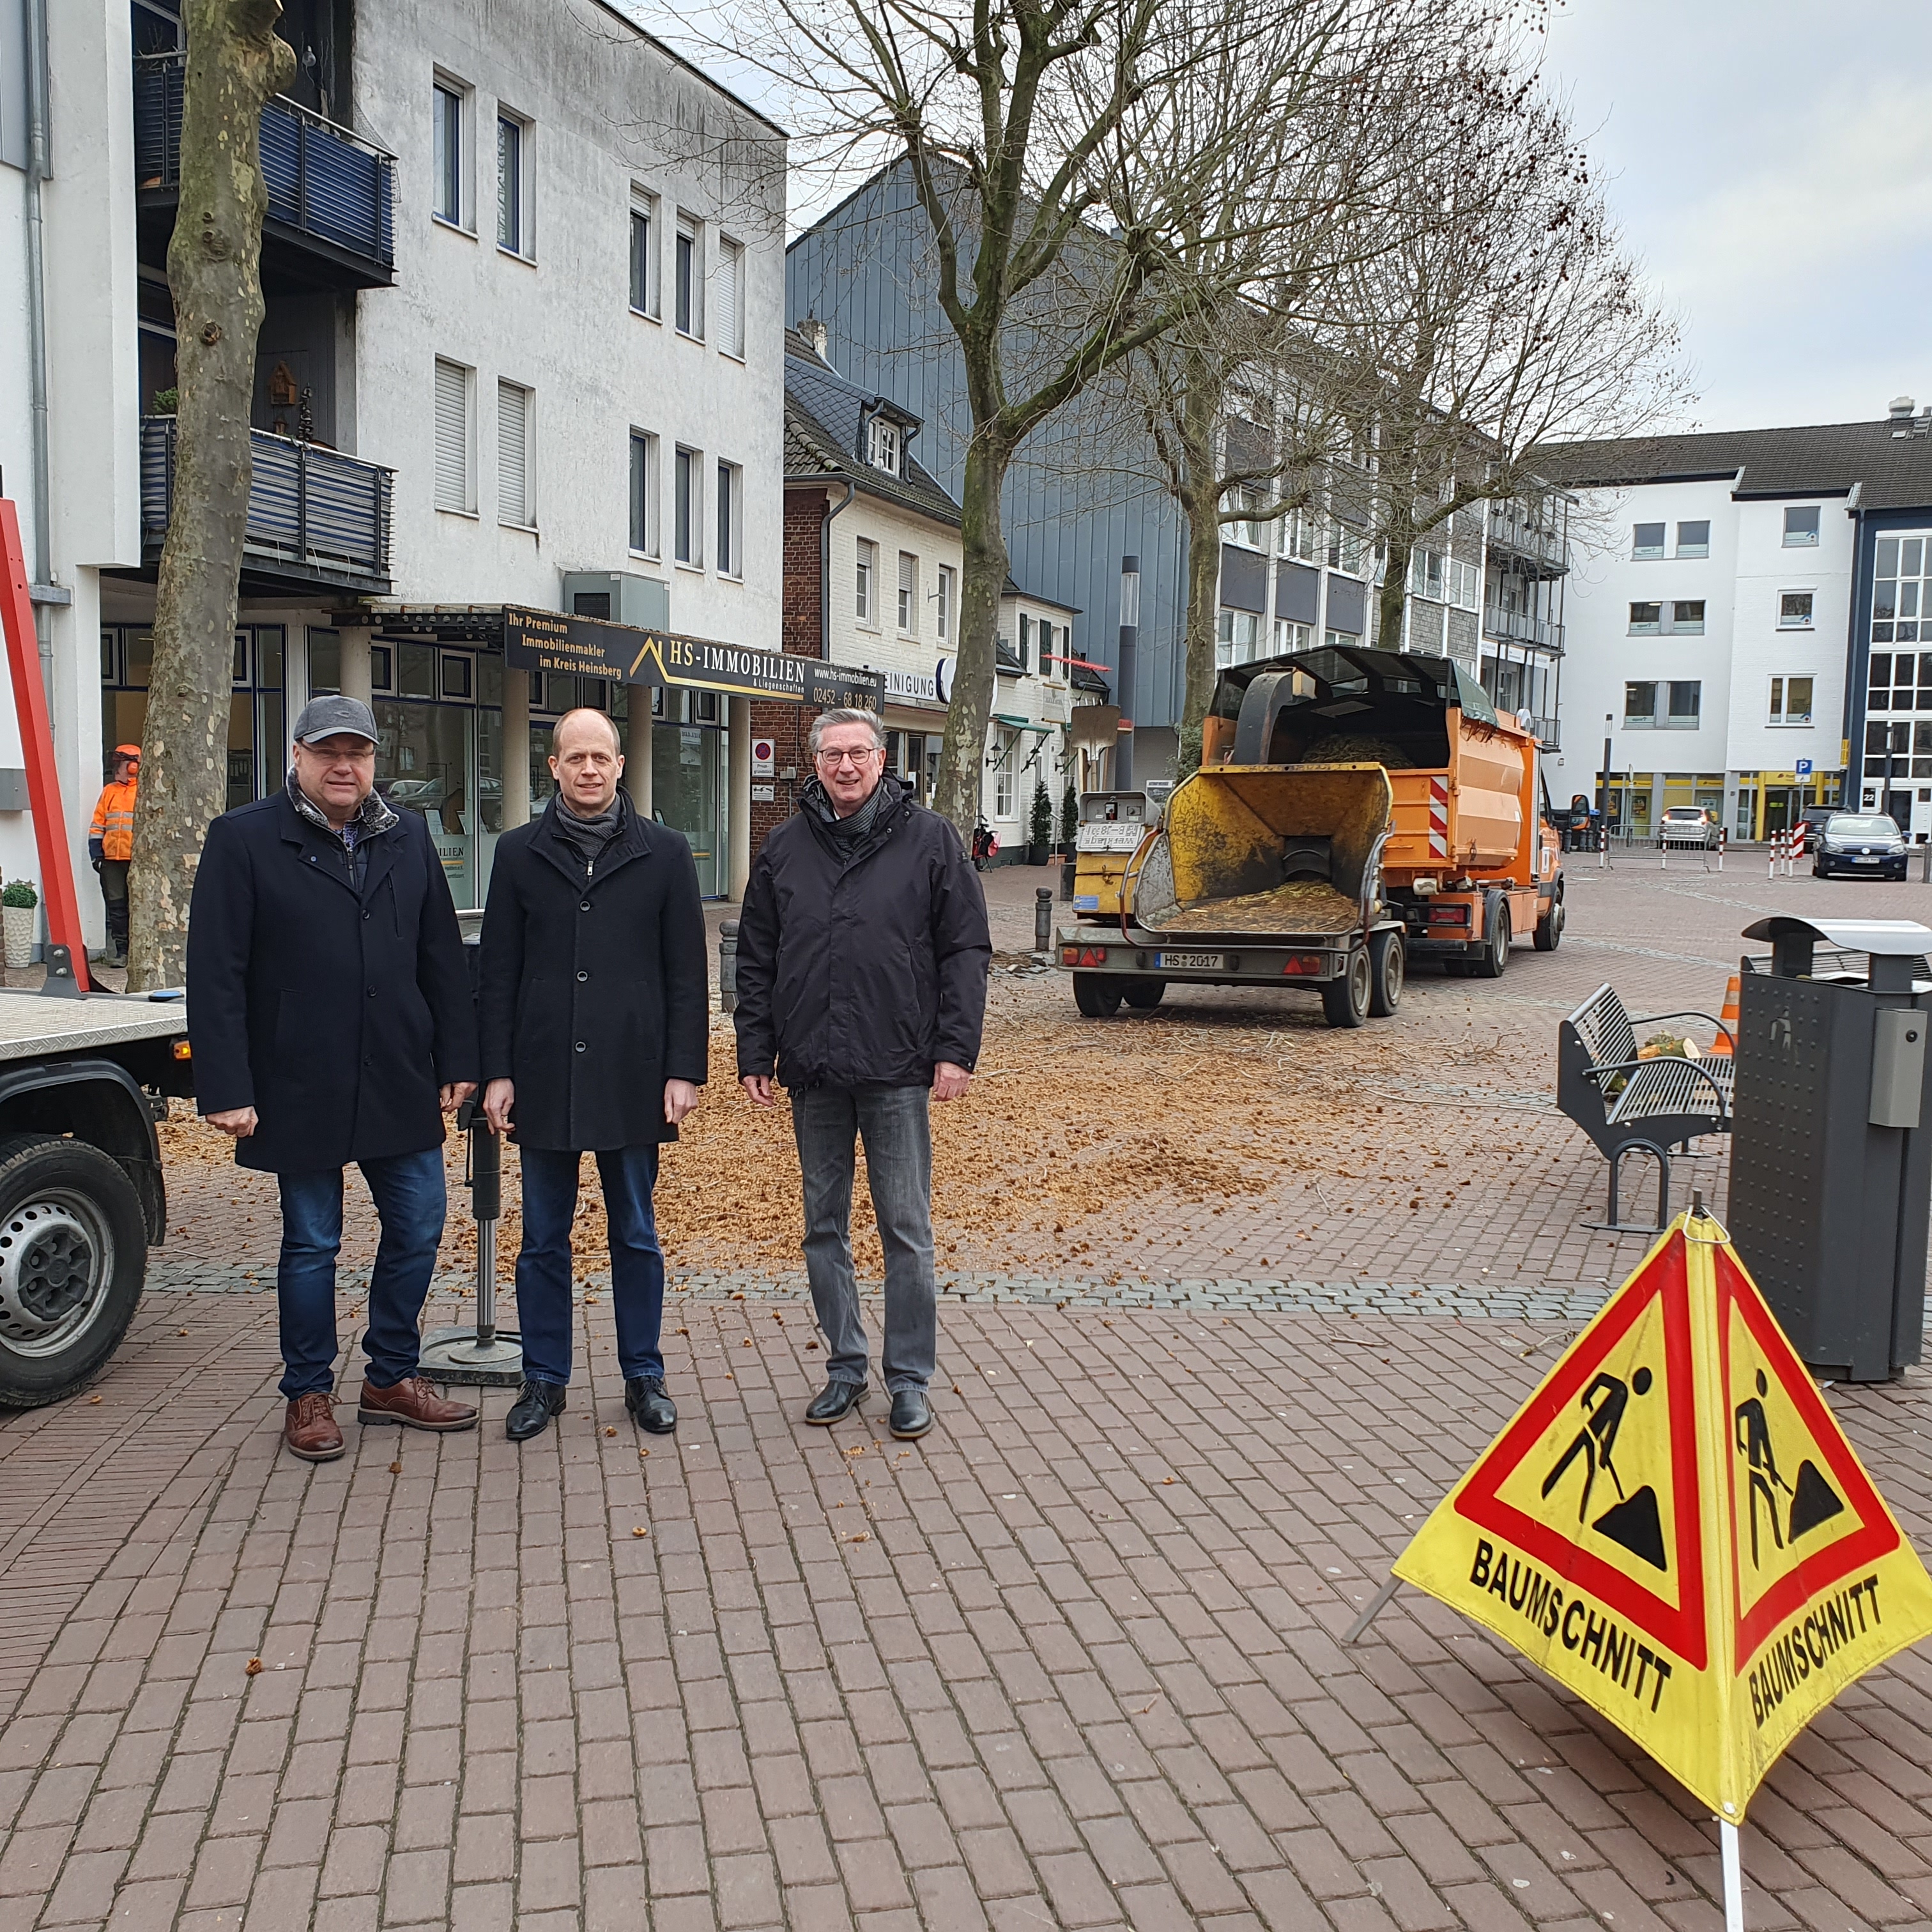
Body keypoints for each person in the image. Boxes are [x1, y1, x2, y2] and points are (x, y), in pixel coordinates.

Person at [187, 696, 480, 1462]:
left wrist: (458, 1061)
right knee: (313, 1243)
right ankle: (308, 1392)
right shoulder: (244, 839)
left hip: (395, 1074)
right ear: (298, 755)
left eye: (358, 752)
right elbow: (216, 973)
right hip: (297, 1078)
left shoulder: (408, 837)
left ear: (376, 760)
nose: (343, 766)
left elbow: (440, 959)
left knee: (420, 1225)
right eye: (327, 752)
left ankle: (390, 1377)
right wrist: (225, 1085)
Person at [734, 707, 991, 1440]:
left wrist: (954, 1049)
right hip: (813, 1067)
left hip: (898, 1064)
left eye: (858, 753)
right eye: (832, 755)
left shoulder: (931, 840)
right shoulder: (784, 848)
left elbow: (965, 950)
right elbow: (756, 960)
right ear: (813, 763)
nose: (845, 767)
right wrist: (756, 1052)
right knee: (824, 1226)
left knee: (905, 1227)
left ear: (883, 760)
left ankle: (908, 1378)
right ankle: (845, 1367)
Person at [478, 708, 708, 1443]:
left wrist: (684, 1070)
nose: (587, 770)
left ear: (619, 764)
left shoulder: (666, 853)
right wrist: (496, 1073)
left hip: (633, 1076)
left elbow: (686, 974)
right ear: (552, 766)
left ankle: (644, 1373)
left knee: (635, 1234)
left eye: (599, 757)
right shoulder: (517, 854)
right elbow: (499, 972)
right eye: (573, 757)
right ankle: (544, 1378)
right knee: (543, 1238)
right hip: (543, 1074)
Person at [88, 745, 140, 967]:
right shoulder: (110, 791)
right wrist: (96, 853)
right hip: (111, 859)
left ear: (132, 766)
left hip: (136, 859)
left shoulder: (144, 791)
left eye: (120, 763)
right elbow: (98, 823)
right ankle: (122, 952)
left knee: (137, 906)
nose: (116, 769)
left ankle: (137, 952)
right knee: (117, 907)